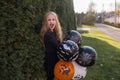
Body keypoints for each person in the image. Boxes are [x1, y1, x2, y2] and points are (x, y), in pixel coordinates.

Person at [40, 11, 63, 80]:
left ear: (56, 21)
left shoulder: (53, 32)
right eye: (49, 20)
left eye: (53, 19)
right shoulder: (48, 34)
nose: (51, 22)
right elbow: (58, 46)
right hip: (51, 63)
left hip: (55, 61)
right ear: (45, 22)